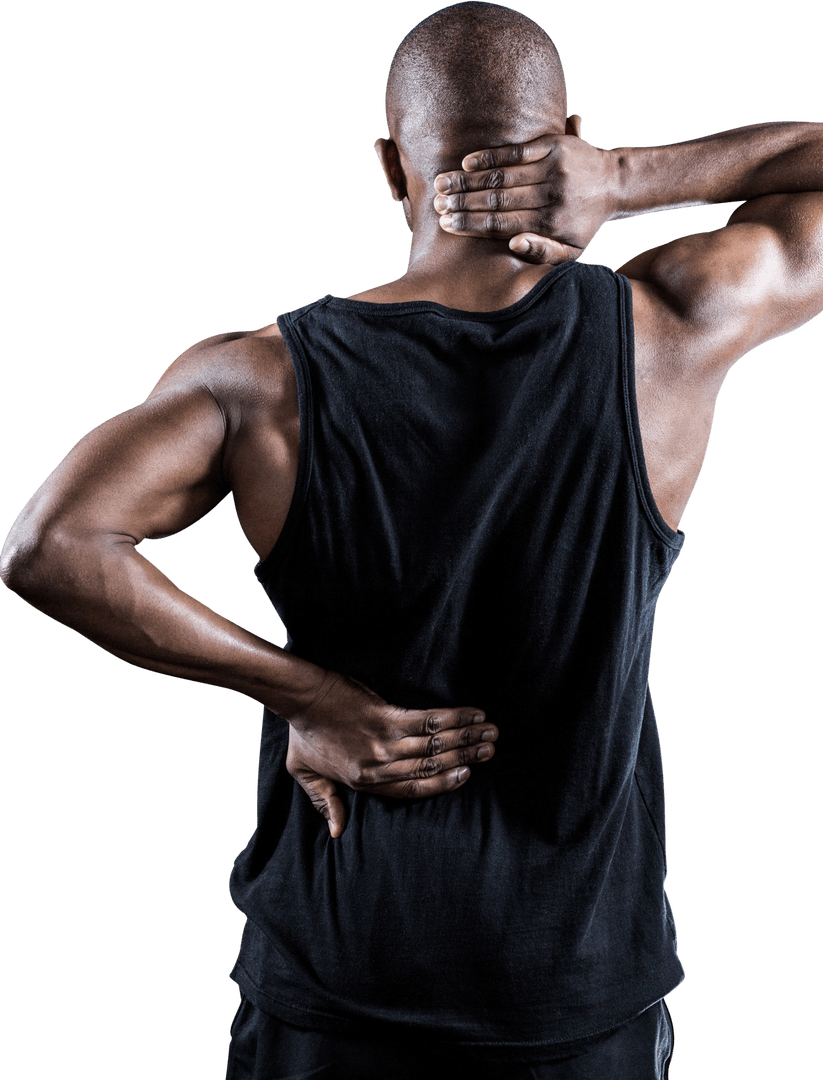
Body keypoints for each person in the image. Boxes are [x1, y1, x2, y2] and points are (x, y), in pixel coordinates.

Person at [2, 1, 821, 1077]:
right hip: (574, 996)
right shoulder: (670, 330)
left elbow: (50, 546)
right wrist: (623, 178)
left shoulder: (260, 380)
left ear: (393, 167)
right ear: (567, 130)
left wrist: (306, 696)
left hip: (338, 984)